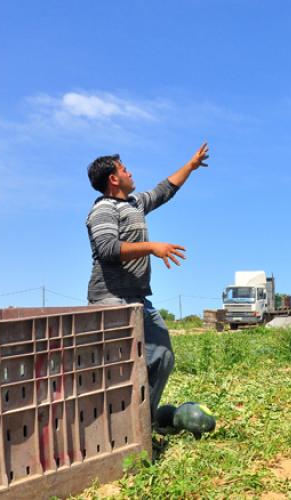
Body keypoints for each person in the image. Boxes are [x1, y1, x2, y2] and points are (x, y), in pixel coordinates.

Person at [85, 143, 209, 422]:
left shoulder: (134, 204)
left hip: (138, 298)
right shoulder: (103, 210)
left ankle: (142, 423)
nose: (130, 172)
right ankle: (118, 427)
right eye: (124, 169)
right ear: (113, 179)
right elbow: (107, 248)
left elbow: (163, 190)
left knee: (162, 356)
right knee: (118, 369)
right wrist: (152, 247)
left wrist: (190, 166)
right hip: (111, 299)